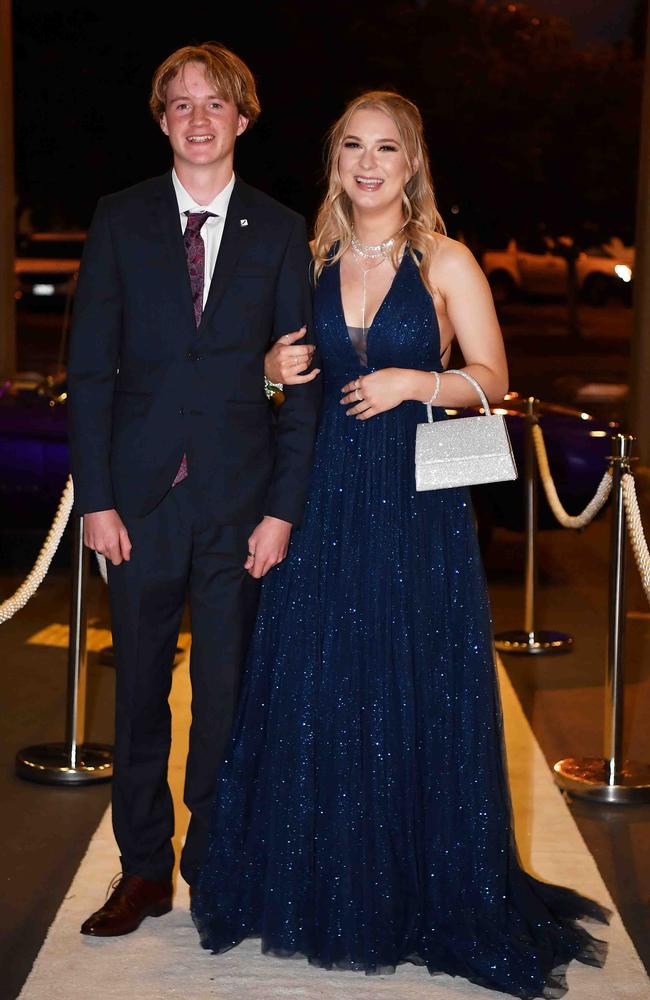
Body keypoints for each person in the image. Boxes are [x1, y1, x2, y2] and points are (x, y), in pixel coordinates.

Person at [191, 91, 609, 997]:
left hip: (419, 502)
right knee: (318, 681)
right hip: (324, 495)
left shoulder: (447, 259)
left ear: (412, 164)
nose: (369, 164)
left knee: (412, 683)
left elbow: (494, 378)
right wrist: (268, 373)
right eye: (353, 147)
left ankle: (419, 886)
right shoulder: (308, 258)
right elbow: (276, 379)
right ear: (335, 161)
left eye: (387, 149)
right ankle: (316, 884)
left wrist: (423, 378)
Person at [67, 42, 320, 937]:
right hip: (137, 507)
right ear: (163, 120)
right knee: (137, 695)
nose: (198, 118)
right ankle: (142, 872)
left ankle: (217, 867)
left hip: (240, 510)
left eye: (216, 104)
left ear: (243, 119)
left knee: (225, 700)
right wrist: (95, 499)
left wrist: (283, 510)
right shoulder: (119, 219)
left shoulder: (283, 229)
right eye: (180, 104)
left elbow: (299, 384)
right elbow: (91, 370)